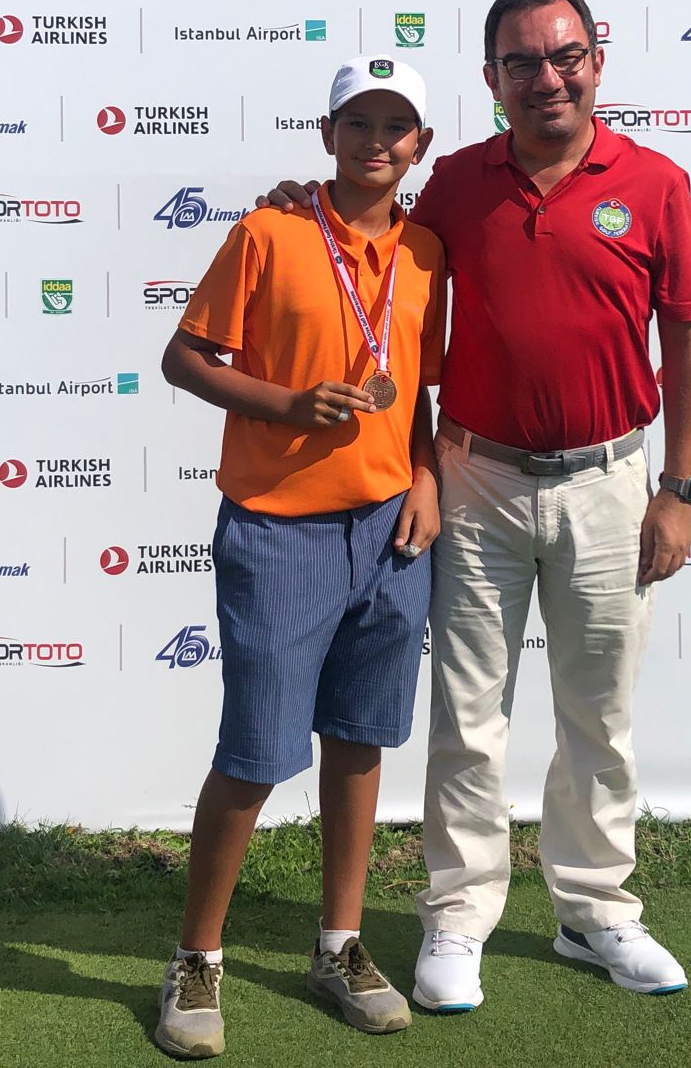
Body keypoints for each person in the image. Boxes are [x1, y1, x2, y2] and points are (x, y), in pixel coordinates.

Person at [264, 0, 691, 1010]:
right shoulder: (458, 184)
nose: (546, 78)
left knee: (599, 712)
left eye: (564, 56)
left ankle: (593, 912)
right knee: (468, 715)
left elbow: (686, 336)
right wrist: (303, 202)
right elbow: (370, 253)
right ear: (491, 78)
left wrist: (679, 487)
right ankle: (458, 917)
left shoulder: (654, 182)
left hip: (611, 480)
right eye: (522, 62)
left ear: (596, 60)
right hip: (476, 479)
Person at [154, 55, 447, 1060]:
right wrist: (282, 403)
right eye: (356, 122)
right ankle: (197, 958)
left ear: (420, 146)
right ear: (326, 136)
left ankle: (338, 946)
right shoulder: (269, 231)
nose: (375, 141)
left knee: (358, 741)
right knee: (252, 754)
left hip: (391, 531)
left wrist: (425, 476)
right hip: (279, 528)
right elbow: (183, 357)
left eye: (395, 126)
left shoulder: (427, 253)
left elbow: (417, 391)